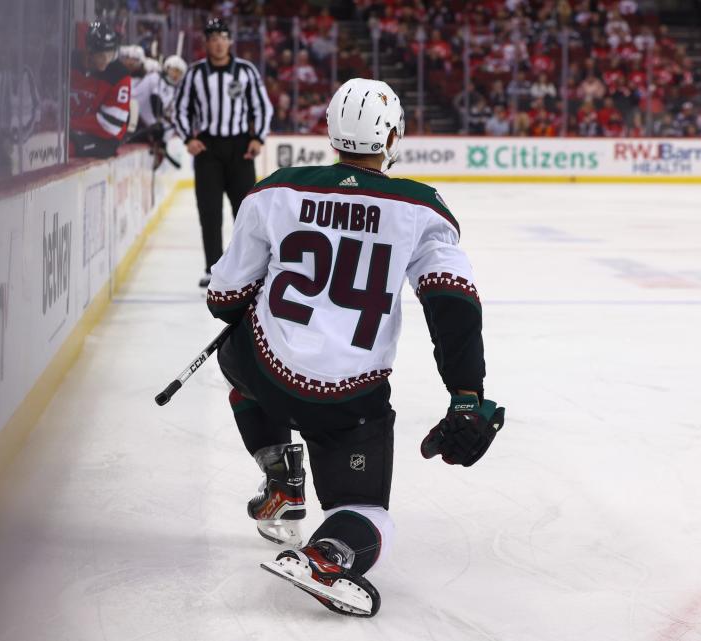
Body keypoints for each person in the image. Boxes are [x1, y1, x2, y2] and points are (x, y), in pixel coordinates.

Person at [205, 78, 505, 617]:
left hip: (266, 373)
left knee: (237, 356)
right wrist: (466, 394)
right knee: (366, 510)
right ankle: (329, 553)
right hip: (350, 400)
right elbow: (453, 301)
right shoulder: (421, 207)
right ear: (392, 137)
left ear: (330, 130)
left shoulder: (275, 190)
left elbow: (225, 298)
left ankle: (282, 476)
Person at [174, 18, 273, 287]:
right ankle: (213, 268)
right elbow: (180, 109)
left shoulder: (246, 71)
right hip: (208, 149)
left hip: (240, 149)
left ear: (230, 41)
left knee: (245, 212)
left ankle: (247, 269)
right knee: (209, 211)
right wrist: (188, 138)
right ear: (206, 43)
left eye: (223, 37)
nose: (218, 42)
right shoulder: (194, 74)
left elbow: (262, 107)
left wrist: (257, 138)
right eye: (213, 37)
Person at [69, 22, 132, 159]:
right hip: (72, 131)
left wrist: (68, 123)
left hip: (103, 140)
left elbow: (110, 125)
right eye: (102, 55)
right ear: (88, 52)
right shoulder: (68, 63)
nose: (107, 61)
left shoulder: (119, 75)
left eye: (110, 54)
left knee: (66, 149)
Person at [130, 55, 187, 167]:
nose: (176, 75)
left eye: (179, 73)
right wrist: (160, 123)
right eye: (174, 70)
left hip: (142, 121)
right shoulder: (156, 78)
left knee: (164, 128)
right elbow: (155, 102)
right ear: (167, 68)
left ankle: (160, 145)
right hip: (132, 113)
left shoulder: (172, 90)